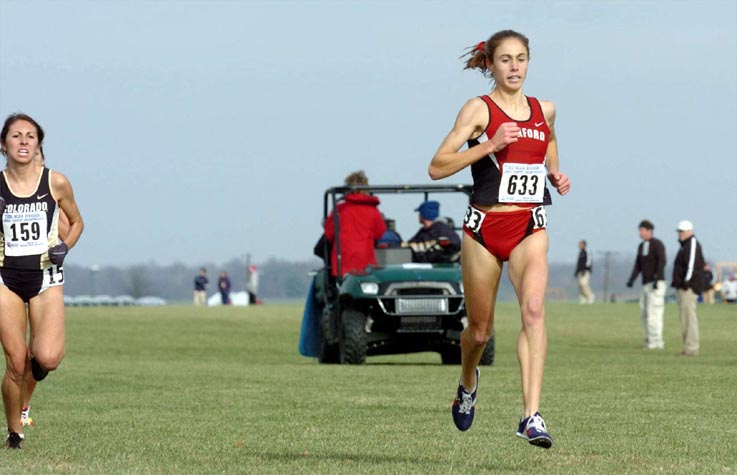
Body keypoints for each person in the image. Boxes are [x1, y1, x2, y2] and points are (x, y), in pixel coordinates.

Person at [428, 30, 570, 449]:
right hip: (483, 230)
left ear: (529, 62)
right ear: (489, 64)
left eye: (521, 58)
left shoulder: (546, 109)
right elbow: (437, 167)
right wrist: (489, 143)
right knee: (479, 332)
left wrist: (553, 173)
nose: (514, 67)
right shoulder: (478, 109)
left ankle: (531, 416)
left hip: (529, 225)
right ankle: (467, 381)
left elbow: (550, 143)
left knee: (534, 311)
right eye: (505, 59)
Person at [0, 113, 84, 448]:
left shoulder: (56, 182)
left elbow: (77, 222)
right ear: (3, 145)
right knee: (16, 362)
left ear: (38, 144)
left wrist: (65, 246)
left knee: (47, 357)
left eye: (30, 136)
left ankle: (25, 398)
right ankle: (14, 431)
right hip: (5, 279)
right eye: (16, 136)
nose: (23, 141)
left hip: (47, 277)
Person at [20, 144, 73, 429]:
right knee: (15, 353)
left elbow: (70, 234)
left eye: (38, 160)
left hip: (45, 278)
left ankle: (23, 406)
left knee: (40, 354)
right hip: (10, 275)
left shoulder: (54, 193)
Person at [323, 170, 386, 278]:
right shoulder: (373, 211)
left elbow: (329, 234)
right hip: (366, 264)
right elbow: (380, 232)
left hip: (342, 265)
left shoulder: (340, 210)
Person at [626, 220, 667, 350]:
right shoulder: (641, 246)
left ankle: (657, 341)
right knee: (644, 313)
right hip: (645, 284)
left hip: (656, 284)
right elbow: (638, 265)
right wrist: (632, 279)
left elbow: (662, 261)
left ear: (649, 231)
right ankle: (649, 338)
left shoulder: (657, 244)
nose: (640, 233)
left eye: (642, 230)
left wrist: (657, 277)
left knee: (654, 313)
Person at [671, 220, 705, 356]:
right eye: (679, 231)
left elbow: (692, 265)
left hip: (689, 288)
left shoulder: (692, 244)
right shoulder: (684, 245)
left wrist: (686, 282)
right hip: (683, 287)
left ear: (690, 232)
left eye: (682, 231)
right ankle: (688, 347)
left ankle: (691, 348)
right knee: (685, 319)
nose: (680, 234)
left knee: (690, 319)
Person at [575, 240, 595, 304]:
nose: (579, 245)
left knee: (584, 284)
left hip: (585, 271)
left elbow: (589, 262)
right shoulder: (580, 253)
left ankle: (590, 296)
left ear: (584, 245)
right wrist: (576, 271)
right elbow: (578, 263)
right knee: (580, 285)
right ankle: (583, 299)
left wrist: (585, 269)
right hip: (580, 272)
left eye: (580, 244)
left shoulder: (587, 252)